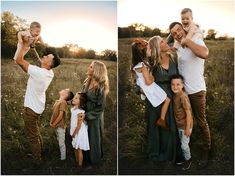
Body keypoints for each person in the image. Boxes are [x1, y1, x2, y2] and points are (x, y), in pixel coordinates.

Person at [169, 21, 211, 167]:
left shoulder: (196, 40)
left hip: (197, 91)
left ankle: (206, 150)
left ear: (184, 28)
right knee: (185, 119)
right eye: (174, 33)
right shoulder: (178, 46)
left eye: (179, 30)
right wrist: (177, 39)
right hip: (183, 92)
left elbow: (205, 54)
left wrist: (187, 40)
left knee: (201, 121)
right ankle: (186, 148)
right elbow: (169, 43)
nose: (177, 34)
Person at [15, 42, 60, 166]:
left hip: (31, 109)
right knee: (35, 131)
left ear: (49, 63)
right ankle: (39, 152)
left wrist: (23, 45)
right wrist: (33, 48)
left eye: (47, 57)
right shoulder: (49, 72)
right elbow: (38, 60)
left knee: (33, 136)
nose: (44, 57)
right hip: (38, 107)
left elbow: (19, 60)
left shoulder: (39, 73)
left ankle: (37, 161)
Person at [143, 35, 182, 162]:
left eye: (165, 41)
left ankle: (170, 153)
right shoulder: (151, 62)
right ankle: (155, 152)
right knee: (155, 125)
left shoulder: (172, 57)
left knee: (169, 125)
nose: (166, 42)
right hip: (155, 97)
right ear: (157, 47)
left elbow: (178, 77)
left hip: (170, 96)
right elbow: (140, 81)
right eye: (162, 42)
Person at [131, 38, 170, 129]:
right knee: (167, 100)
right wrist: (153, 78)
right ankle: (162, 119)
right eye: (149, 49)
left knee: (165, 101)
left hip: (147, 87)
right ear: (144, 53)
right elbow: (148, 81)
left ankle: (161, 119)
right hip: (149, 87)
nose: (151, 50)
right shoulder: (143, 65)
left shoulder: (140, 64)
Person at [82, 60, 109, 165]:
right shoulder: (87, 81)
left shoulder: (101, 87)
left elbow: (100, 107)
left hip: (94, 114)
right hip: (85, 111)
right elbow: (83, 96)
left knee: (93, 137)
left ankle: (95, 159)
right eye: (90, 66)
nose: (89, 68)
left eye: (91, 67)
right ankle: (86, 156)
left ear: (97, 70)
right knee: (85, 134)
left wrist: (88, 116)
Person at [171, 74, 193, 170]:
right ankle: (185, 158)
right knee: (182, 143)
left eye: (178, 84)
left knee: (184, 145)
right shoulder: (175, 95)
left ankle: (188, 160)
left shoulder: (183, 96)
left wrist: (187, 128)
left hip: (186, 126)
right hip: (180, 126)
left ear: (182, 85)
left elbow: (188, 113)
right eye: (173, 84)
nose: (175, 87)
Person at [50, 88, 74, 164]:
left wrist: (54, 124)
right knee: (58, 139)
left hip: (60, 126)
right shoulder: (57, 101)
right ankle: (62, 156)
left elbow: (60, 116)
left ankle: (63, 159)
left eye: (64, 90)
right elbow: (54, 114)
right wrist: (51, 122)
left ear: (66, 95)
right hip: (56, 125)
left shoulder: (63, 103)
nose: (62, 89)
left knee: (61, 142)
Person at [70, 92, 90, 172]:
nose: (74, 99)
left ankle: (80, 166)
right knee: (75, 147)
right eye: (74, 97)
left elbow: (78, 125)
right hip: (74, 130)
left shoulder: (80, 112)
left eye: (76, 98)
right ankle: (77, 161)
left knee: (79, 148)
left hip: (79, 131)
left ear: (80, 102)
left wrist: (74, 134)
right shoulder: (73, 109)